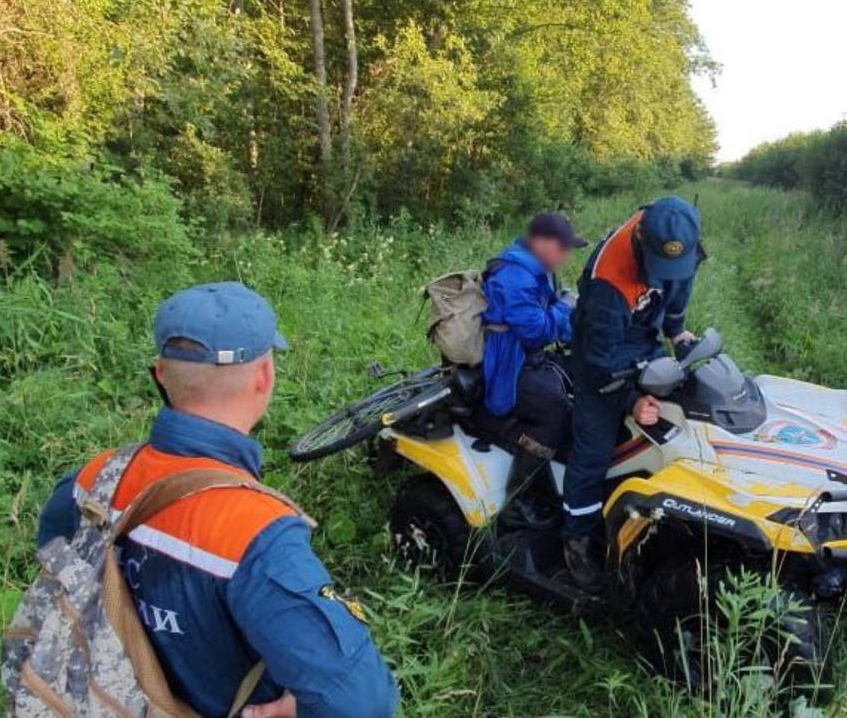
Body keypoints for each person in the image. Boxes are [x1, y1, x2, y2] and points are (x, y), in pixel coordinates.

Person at [36, 282, 398, 718]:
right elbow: (363, 703)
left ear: (159, 376)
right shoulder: (255, 533)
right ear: (264, 378)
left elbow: (55, 557)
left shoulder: (95, 478)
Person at [562, 197, 702, 590]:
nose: (664, 275)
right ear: (641, 236)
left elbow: (679, 287)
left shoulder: (678, 235)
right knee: (593, 448)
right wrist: (630, 399)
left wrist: (677, 332)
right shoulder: (611, 277)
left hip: (643, 336)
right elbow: (598, 360)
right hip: (602, 351)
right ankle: (576, 536)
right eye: (659, 267)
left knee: (681, 416)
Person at [478, 212, 585, 501]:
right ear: (540, 242)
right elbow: (536, 331)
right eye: (562, 248)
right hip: (507, 364)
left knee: (580, 379)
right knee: (555, 411)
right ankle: (519, 495)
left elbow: (553, 323)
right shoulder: (514, 276)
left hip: (529, 356)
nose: (565, 256)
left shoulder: (537, 269)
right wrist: (566, 305)